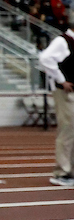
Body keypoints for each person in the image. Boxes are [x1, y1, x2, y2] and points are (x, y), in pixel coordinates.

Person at [38, 23, 74, 187]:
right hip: (65, 92)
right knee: (67, 130)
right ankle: (62, 172)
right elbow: (45, 58)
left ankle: (70, 170)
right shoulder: (63, 41)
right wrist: (61, 80)